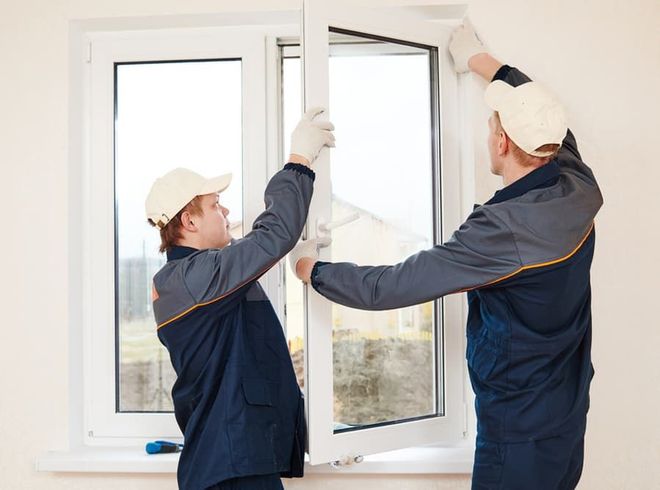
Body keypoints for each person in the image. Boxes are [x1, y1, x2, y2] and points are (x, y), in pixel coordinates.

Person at [289, 24, 603, 490]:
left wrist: (311, 270)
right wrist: (480, 60)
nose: (489, 132)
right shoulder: (577, 182)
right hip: (566, 418)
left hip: (515, 435)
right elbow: (542, 107)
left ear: (501, 143)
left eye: (493, 126)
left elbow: (392, 285)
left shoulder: (502, 232)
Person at [145, 107, 335, 490]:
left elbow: (258, 254)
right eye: (215, 205)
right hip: (230, 470)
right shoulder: (192, 278)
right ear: (190, 222)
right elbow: (270, 238)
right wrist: (298, 162)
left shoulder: (195, 277)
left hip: (233, 463)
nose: (226, 211)